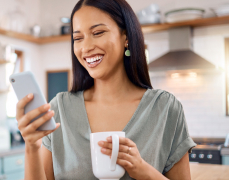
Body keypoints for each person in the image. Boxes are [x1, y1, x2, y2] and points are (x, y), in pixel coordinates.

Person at [15, 0, 196, 179]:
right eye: (78, 38)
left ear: (126, 37)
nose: (86, 47)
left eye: (98, 32)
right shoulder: (60, 109)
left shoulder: (165, 108)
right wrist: (32, 146)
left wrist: (144, 171)